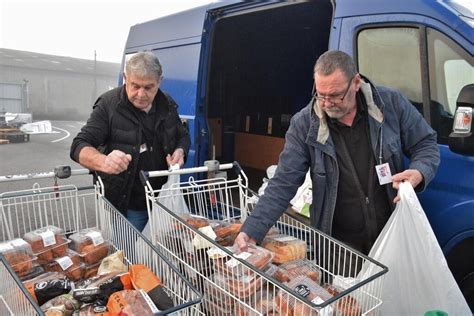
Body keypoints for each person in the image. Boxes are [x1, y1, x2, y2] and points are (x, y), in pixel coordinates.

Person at [236, 50, 440, 255]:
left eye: (335, 96)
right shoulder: (304, 124)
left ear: (356, 83)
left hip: (392, 235)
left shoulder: (391, 105)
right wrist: (252, 230)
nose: (326, 103)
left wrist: (419, 172)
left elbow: (426, 143)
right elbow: (283, 183)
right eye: (320, 95)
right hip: (340, 249)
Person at [70, 51, 190, 232]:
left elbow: (182, 136)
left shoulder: (166, 104)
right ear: (125, 77)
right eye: (134, 86)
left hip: (163, 200)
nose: (141, 94)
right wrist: (104, 161)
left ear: (160, 81)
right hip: (129, 204)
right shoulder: (108, 105)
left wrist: (180, 151)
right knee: (129, 256)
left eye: (149, 87)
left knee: (165, 252)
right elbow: (79, 145)